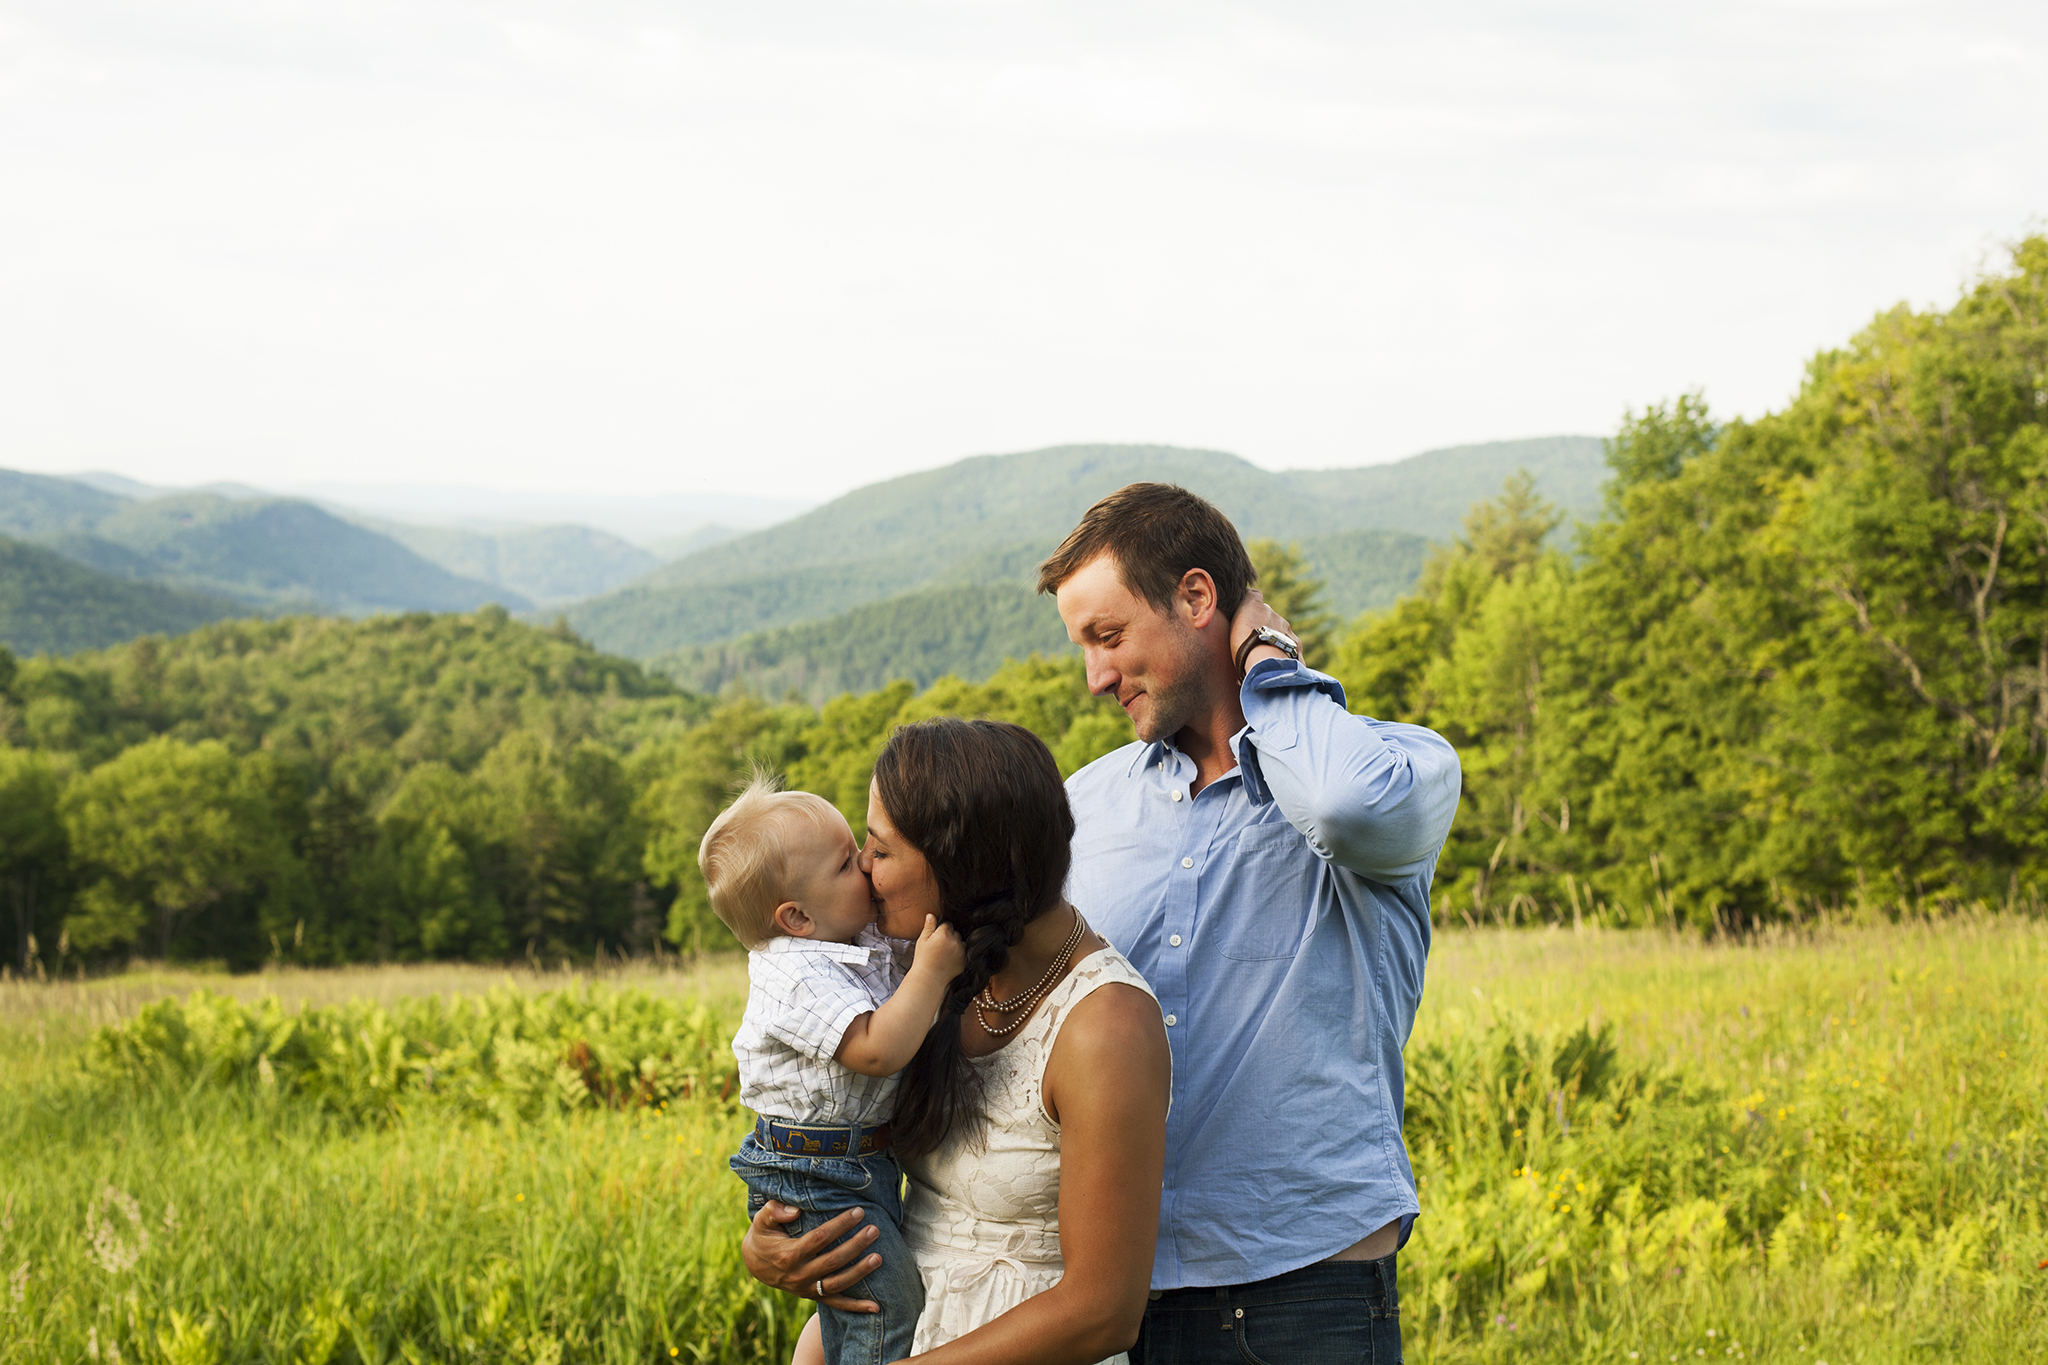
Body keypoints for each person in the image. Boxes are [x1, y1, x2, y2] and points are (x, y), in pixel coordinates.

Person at [1043, 482, 1461, 1362]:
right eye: (1083, 646)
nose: (1095, 677)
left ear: (1199, 599)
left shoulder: (1397, 768)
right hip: (1112, 1305)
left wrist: (1268, 659)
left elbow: (1342, 809)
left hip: (1307, 1297)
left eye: (1109, 637)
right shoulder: (1080, 809)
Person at [750, 718, 1172, 1365]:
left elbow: (1103, 1312)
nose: (864, 865)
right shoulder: (930, 974)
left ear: (961, 864)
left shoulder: (1105, 1025)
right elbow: (828, 1137)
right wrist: (778, 1239)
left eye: (881, 848)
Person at [703, 775, 967, 1365]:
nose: (868, 867)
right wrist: (934, 970)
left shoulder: (850, 935)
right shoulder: (793, 975)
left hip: (858, 1163)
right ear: (795, 917)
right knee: (885, 1310)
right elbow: (876, 1049)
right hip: (813, 1176)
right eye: (848, 863)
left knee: (869, 1304)